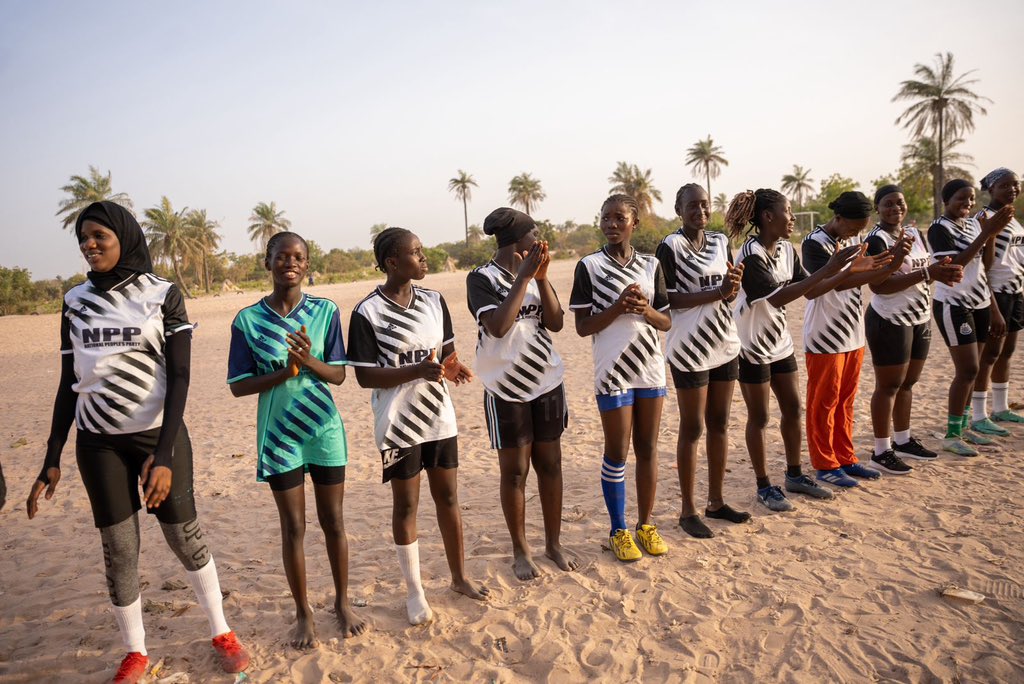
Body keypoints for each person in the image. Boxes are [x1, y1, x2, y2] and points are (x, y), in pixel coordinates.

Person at [27, 202, 249, 683]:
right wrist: (52, 457)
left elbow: (182, 376)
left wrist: (163, 455)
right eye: (82, 238)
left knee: (184, 538)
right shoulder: (74, 301)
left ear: (124, 238)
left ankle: (221, 631)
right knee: (119, 549)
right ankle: (136, 652)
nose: (88, 245)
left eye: (98, 236)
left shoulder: (162, 293)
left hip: (157, 437)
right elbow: (70, 381)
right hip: (98, 444)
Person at [227, 231, 364, 647]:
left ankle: (342, 603)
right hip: (279, 435)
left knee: (334, 522)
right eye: (282, 256)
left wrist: (307, 361)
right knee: (293, 528)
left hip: (324, 430)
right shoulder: (247, 320)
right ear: (266, 262)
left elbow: (339, 374)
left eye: (299, 257)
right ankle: (303, 612)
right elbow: (238, 385)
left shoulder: (324, 311)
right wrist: (285, 372)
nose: (291, 263)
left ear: (307, 265)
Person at [349, 227, 488, 624]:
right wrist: (414, 370)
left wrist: (451, 365)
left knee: (448, 498)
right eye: (416, 252)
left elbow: (444, 352)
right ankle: (414, 592)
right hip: (397, 424)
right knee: (407, 504)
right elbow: (364, 377)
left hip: (439, 418)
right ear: (393, 262)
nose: (423, 258)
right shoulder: (367, 312)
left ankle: (459, 577)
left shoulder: (433, 300)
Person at [725, 189, 864, 511]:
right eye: (787, 211)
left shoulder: (787, 250)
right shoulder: (749, 255)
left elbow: (811, 289)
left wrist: (840, 271)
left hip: (780, 343)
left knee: (793, 410)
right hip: (752, 346)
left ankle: (795, 475)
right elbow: (775, 298)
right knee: (760, 417)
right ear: (768, 217)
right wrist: (828, 269)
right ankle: (764, 486)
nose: (793, 218)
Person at [467, 207, 579, 580]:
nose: (540, 241)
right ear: (519, 242)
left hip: (546, 381)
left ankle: (553, 544)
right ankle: (520, 550)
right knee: (514, 472)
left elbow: (557, 322)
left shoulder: (536, 274)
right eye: (536, 235)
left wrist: (542, 280)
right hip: (505, 388)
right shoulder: (480, 279)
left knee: (550, 465)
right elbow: (498, 327)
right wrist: (523, 277)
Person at [570, 194, 671, 561]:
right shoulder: (589, 266)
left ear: (634, 223)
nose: (611, 224)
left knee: (647, 449)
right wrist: (617, 308)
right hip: (612, 370)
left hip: (650, 368)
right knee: (617, 451)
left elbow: (666, 321)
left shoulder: (651, 265)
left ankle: (645, 525)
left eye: (619, 218)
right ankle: (618, 530)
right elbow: (582, 327)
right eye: (605, 218)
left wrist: (644, 309)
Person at [655, 184, 748, 538]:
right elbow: (667, 299)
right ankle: (688, 510)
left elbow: (728, 290)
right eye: (692, 205)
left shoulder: (721, 241)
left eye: (705, 205)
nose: (700, 210)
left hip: (724, 341)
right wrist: (718, 291)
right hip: (689, 347)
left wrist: (733, 287)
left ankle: (716, 502)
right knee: (692, 428)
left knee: (720, 424)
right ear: (679, 209)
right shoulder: (671, 246)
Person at [802, 191, 900, 487]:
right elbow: (835, 282)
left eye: (861, 229)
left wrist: (880, 267)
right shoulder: (813, 243)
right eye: (853, 227)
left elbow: (863, 273)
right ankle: (825, 463)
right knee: (824, 402)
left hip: (853, 333)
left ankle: (845, 458)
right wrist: (880, 268)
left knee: (846, 400)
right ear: (839, 218)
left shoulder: (855, 241)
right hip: (824, 335)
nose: (857, 233)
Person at [864, 185, 963, 474]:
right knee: (888, 386)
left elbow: (923, 274)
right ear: (878, 209)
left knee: (908, 383)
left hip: (919, 316)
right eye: (888, 204)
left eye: (900, 203)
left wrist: (940, 270)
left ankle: (903, 439)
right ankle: (881, 450)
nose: (895, 208)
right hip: (889, 318)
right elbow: (878, 286)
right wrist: (926, 273)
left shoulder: (915, 235)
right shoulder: (877, 239)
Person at [928, 179, 1014, 456]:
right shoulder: (939, 228)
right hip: (954, 304)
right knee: (966, 370)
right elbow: (954, 266)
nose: (966, 204)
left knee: (974, 369)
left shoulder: (974, 225)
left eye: (970, 199)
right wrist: (986, 232)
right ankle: (951, 434)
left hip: (979, 302)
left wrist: (989, 234)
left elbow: (984, 266)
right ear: (946, 201)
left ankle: (964, 427)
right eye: (960, 199)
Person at [972, 168, 1024, 427]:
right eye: (1005, 185)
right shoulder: (984, 218)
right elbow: (981, 266)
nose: (1012, 189)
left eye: (1016, 185)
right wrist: (992, 307)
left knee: (1007, 352)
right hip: (995, 294)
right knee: (989, 355)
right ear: (991, 189)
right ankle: (979, 414)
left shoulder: (1013, 219)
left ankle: (1001, 408)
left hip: (1015, 292)